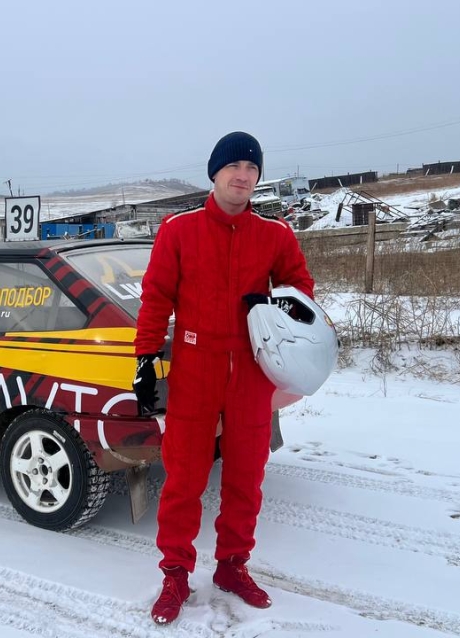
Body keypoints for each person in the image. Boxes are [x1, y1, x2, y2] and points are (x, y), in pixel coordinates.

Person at [133, 131, 315, 624]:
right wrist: (146, 359)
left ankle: (233, 566)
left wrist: (275, 305)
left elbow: (301, 287)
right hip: (195, 368)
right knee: (185, 477)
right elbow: (155, 299)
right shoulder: (179, 230)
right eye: (234, 166)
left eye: (252, 169)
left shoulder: (274, 234)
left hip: (252, 372)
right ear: (214, 173)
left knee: (245, 476)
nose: (243, 175)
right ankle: (175, 573)